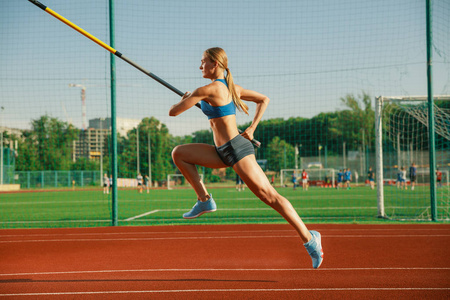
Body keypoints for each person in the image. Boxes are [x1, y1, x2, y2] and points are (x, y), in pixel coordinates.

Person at [169, 47, 323, 268]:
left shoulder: (208, 89)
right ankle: (204, 200)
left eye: (203, 61)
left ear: (215, 64)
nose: (200, 66)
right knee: (179, 153)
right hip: (221, 151)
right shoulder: (228, 89)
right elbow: (264, 99)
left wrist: (189, 99)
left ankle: (310, 239)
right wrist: (193, 98)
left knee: (270, 197)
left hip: (237, 150)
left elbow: (173, 112)